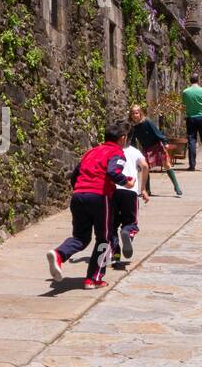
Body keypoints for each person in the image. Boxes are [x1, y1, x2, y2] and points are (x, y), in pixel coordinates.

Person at [48, 123, 134, 289]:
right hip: (100, 197)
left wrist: (80, 190)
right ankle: (93, 279)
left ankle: (59, 254)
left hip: (78, 195)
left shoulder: (92, 151)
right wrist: (127, 182)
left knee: (80, 237)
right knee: (106, 239)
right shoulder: (117, 152)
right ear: (122, 138)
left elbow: (75, 174)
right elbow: (113, 172)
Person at [110, 138, 150, 266]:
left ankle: (115, 254)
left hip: (113, 190)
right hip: (130, 190)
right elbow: (145, 166)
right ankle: (127, 232)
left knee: (111, 225)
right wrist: (143, 189)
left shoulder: (110, 150)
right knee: (130, 222)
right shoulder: (135, 151)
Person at [127, 104, 168, 194]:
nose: (135, 115)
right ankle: (147, 189)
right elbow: (133, 140)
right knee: (145, 167)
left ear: (140, 113)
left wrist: (164, 142)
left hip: (156, 145)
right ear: (130, 115)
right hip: (146, 148)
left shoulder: (147, 122)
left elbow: (157, 132)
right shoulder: (133, 127)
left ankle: (176, 186)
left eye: (136, 113)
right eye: (133, 113)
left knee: (166, 165)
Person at [182, 73, 202, 171]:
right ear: (198, 80)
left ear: (190, 80)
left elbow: (184, 103)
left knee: (192, 141)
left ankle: (192, 165)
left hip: (191, 117)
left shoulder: (186, 92)